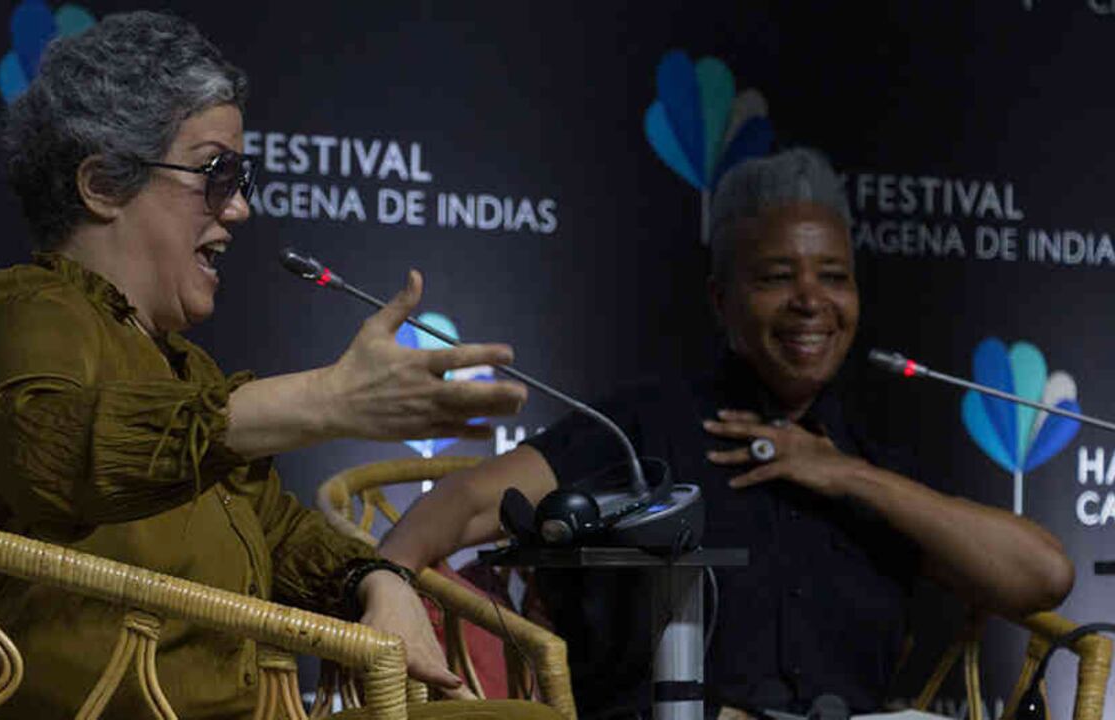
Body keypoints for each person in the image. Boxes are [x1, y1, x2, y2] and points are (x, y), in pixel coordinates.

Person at [0, 11, 559, 719]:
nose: (240, 208)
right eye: (217, 174)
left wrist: (379, 580)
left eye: (241, 177)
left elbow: (281, 532)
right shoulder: (21, 309)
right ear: (102, 185)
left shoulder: (184, 370)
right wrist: (321, 402)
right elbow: (57, 455)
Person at [379, 148, 1075, 719]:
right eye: (777, 276)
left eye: (833, 277)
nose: (811, 300)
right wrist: (384, 581)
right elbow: (468, 502)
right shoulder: (641, 427)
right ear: (722, 299)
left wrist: (844, 474)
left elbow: (1043, 575)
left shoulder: (869, 461)